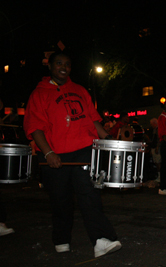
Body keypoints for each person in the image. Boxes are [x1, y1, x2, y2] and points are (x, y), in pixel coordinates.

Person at [23, 51, 121, 258]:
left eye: (67, 64)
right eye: (59, 63)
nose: (63, 67)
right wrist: (48, 152)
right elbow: (35, 127)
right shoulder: (38, 94)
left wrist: (109, 140)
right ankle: (61, 238)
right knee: (61, 200)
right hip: (55, 154)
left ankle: (102, 240)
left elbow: (93, 121)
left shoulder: (79, 90)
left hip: (84, 150)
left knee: (90, 195)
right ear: (50, 66)